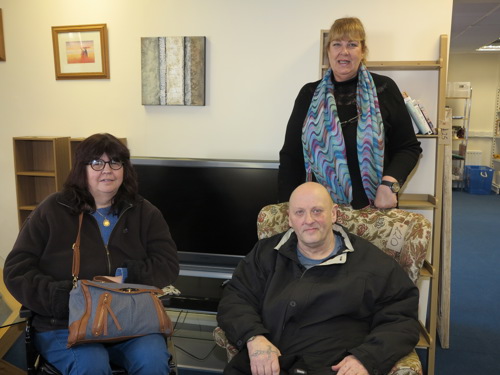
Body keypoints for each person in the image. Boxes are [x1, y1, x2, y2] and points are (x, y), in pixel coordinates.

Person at [3, 133, 179, 375]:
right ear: (81, 169)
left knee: (153, 359)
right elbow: (17, 271)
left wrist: (123, 278)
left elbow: (167, 264)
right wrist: (66, 298)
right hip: (65, 323)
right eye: (97, 163)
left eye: (115, 162)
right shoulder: (51, 211)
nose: (107, 170)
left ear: (124, 169)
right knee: (91, 365)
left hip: (129, 321)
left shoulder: (145, 212)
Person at [217, 182, 419, 375]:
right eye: (299, 212)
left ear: (333, 214)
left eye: (317, 211)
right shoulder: (266, 253)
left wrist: (366, 358)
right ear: (289, 219)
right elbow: (235, 298)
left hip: (332, 368)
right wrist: (254, 337)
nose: (309, 220)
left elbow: (401, 319)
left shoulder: (373, 263)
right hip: (268, 365)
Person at [278, 17, 422, 209]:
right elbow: (291, 157)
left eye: (352, 44)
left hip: (375, 210)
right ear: (328, 51)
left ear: (363, 51)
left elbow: (408, 147)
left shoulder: (384, 89)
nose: (344, 51)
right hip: (320, 213)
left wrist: (390, 184)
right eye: (337, 44)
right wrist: (287, 207)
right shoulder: (309, 95)